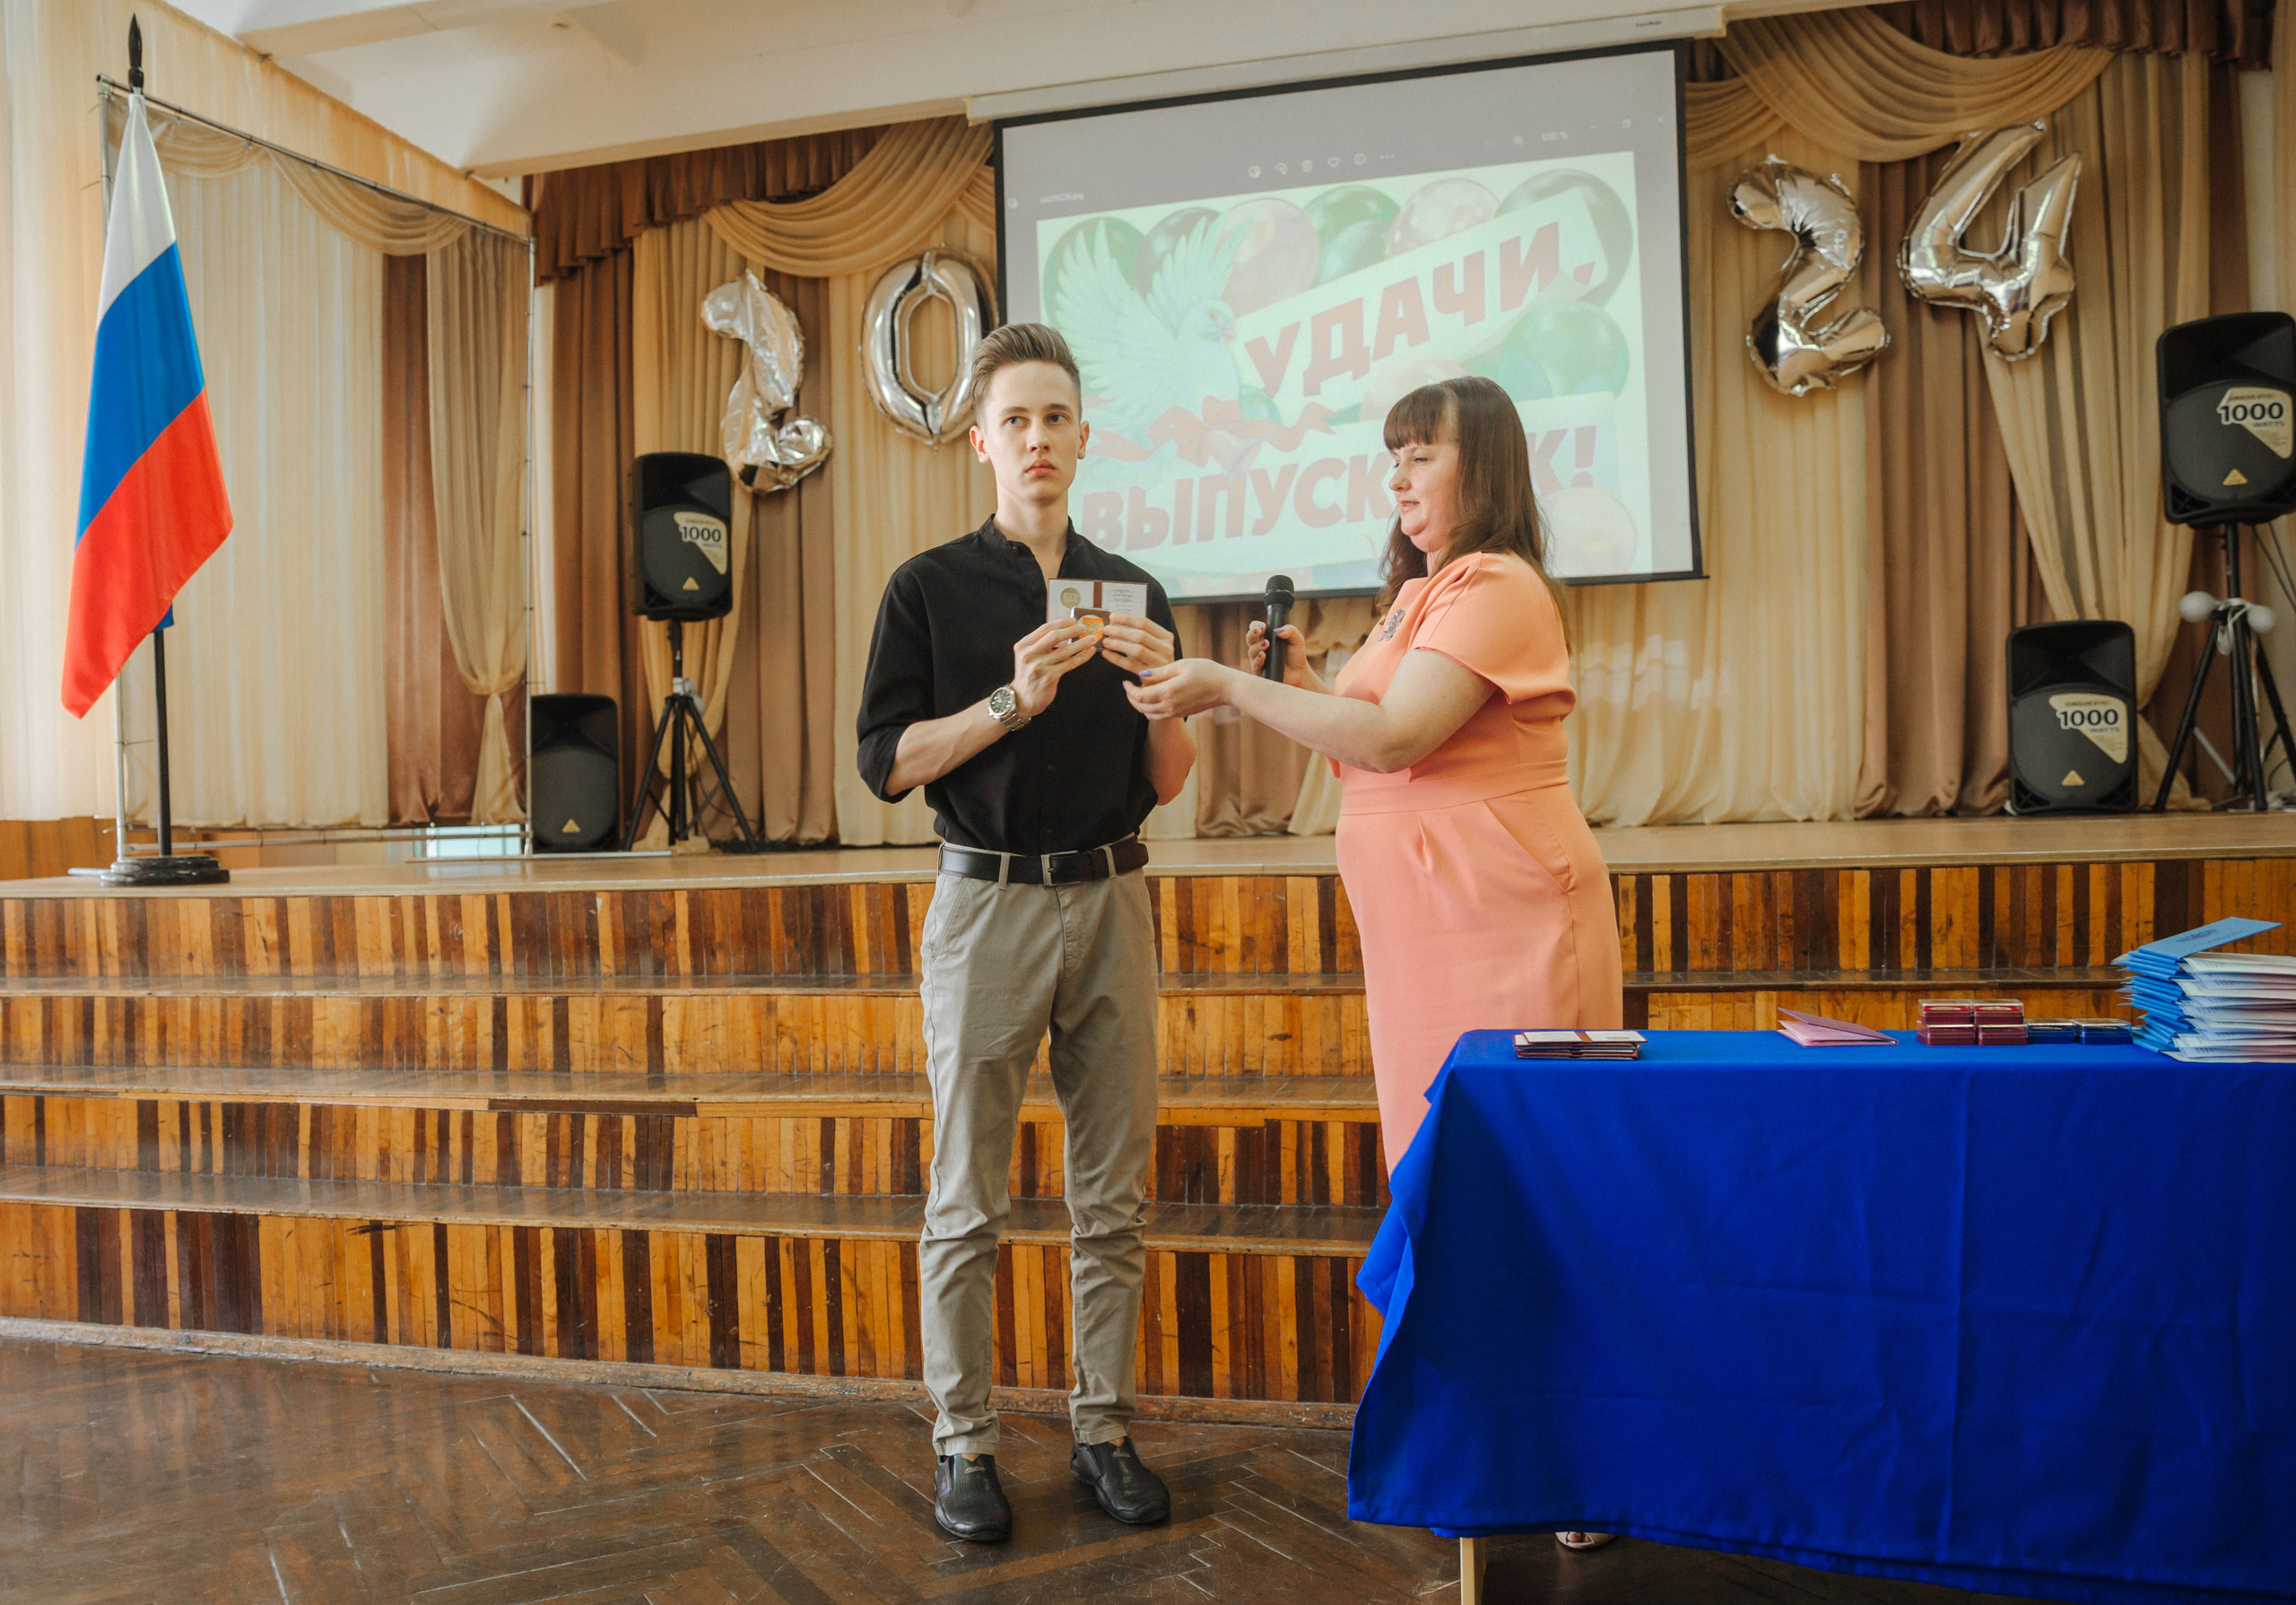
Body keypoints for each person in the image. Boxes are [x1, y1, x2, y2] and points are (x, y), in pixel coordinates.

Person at [1126, 376, 1624, 1549]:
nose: (1397, 478)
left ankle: (1588, 1461)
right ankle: (1501, 1441)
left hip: (1508, 933)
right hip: (1423, 950)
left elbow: (1399, 733)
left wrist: (1231, 685)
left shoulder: (1497, 584)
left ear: (1483, 466)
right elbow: (1372, 742)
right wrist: (1297, 683)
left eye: (1420, 456)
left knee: (1540, 1193)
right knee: (1448, 1194)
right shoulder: (1417, 597)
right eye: (1389, 456)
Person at [855, 323, 1195, 1546]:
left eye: (1057, 417)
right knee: (969, 1196)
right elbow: (888, 765)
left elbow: (1165, 775)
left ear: (1085, 438)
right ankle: (966, 1442)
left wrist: (1171, 689)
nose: (1039, 438)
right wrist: (1013, 698)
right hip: (987, 902)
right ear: (982, 441)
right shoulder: (928, 589)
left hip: (1111, 897)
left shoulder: (1133, 587)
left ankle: (1102, 1427)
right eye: (1017, 420)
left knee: (1111, 1192)